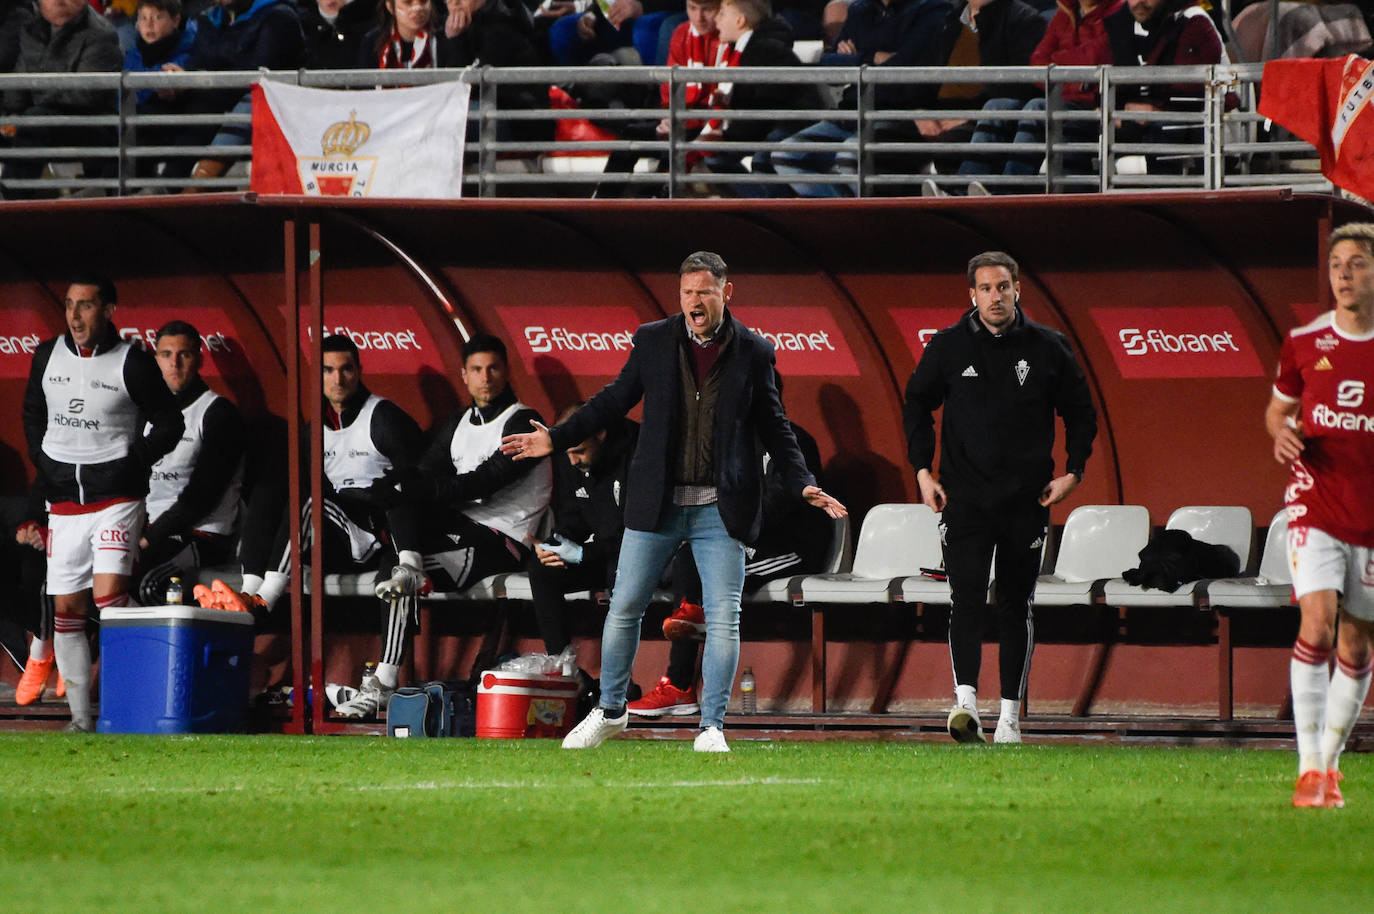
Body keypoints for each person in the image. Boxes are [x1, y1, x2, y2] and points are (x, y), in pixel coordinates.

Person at [501, 250, 846, 753]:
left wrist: (801, 483)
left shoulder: (754, 351)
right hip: (656, 506)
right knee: (624, 609)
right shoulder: (653, 340)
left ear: (726, 293)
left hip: (719, 512)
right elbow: (611, 401)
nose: (693, 301)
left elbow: (777, 429)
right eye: (686, 292)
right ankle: (610, 711)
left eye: (703, 291)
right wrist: (555, 437)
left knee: (724, 616)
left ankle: (711, 727)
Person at [903, 250, 1095, 745]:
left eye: (1003, 287)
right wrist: (923, 472)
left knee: (1015, 604)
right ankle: (966, 701)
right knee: (965, 597)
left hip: (1026, 502)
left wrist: (1074, 471)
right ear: (971, 294)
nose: (995, 296)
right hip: (964, 500)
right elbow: (916, 404)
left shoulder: (1049, 346)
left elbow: (1081, 412)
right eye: (985, 288)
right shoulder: (946, 347)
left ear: (1017, 290)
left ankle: (1010, 716)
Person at [203, 334, 427, 720]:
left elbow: (417, 486)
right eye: (328, 370)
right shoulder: (314, 428)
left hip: (386, 531)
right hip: (340, 535)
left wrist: (405, 544)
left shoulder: (384, 418)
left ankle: (265, 603)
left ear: (358, 371)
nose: (337, 379)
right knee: (280, 490)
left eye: (345, 369)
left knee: (393, 574)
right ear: (317, 376)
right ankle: (251, 591)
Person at [21, 276, 183, 731]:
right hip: (64, 502)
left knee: (109, 596)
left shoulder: (132, 361)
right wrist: (43, 459)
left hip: (116, 498)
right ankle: (81, 720)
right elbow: (34, 413)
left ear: (109, 310)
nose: (74, 316)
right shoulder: (45, 356)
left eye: (86, 306)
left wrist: (134, 463)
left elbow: (169, 423)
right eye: (70, 305)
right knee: (67, 610)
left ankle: (140, 694)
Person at [1266, 222, 1374, 809]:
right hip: (1315, 501)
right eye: (1338, 265)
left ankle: (1330, 765)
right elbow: (1276, 412)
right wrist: (1282, 435)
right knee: (1318, 621)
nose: (1345, 275)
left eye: (1357, 264)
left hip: (1371, 513)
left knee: (1357, 650)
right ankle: (1308, 768)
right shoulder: (1305, 342)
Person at [630, 407, 831, 716]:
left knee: (719, 574)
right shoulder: (729, 443)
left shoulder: (793, 442)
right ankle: (680, 677)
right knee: (689, 551)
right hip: (743, 539)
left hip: (791, 548)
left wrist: (726, 526)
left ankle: (690, 673)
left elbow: (781, 504)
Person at [765, 0, 953, 197]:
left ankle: (856, 221)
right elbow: (827, 65)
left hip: (898, 113)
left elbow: (904, 67)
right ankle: (839, 217)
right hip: (851, 112)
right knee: (785, 156)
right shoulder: (859, 10)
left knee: (850, 157)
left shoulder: (933, 9)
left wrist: (854, 59)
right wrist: (870, 58)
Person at [131, 320, 245, 608]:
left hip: (201, 536)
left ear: (199, 359)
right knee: (92, 581)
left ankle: (176, 653)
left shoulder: (217, 413)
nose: (175, 363)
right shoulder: (145, 413)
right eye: (166, 355)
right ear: (155, 360)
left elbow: (201, 497)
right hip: (150, 530)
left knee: (146, 584)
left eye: (184, 354)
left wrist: (148, 538)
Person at [526, 403, 638, 661]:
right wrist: (555, 545)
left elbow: (634, 534)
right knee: (541, 569)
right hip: (601, 554)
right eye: (567, 454)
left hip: (638, 556)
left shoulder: (637, 453)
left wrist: (584, 554)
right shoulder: (570, 454)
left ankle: (617, 686)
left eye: (579, 452)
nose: (573, 461)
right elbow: (572, 517)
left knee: (617, 571)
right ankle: (564, 667)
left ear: (600, 434)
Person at [0, 0, 123, 198]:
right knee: (24, 121)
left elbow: (86, 95)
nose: (59, 1)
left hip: (91, 123)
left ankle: (12, 198)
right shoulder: (31, 31)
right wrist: (13, 114)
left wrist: (31, 111)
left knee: (36, 120)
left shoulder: (101, 34)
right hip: (40, 118)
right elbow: (19, 79)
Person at [123, 0, 197, 182]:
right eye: (143, 18)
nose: (149, 24)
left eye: (158, 17)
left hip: (169, 125)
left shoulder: (189, 53)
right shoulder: (133, 54)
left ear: (175, 20)